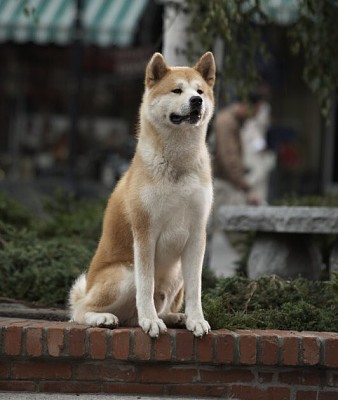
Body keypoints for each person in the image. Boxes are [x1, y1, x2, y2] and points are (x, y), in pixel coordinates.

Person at [209, 96, 265, 277]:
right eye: (256, 109)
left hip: (219, 183)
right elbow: (229, 159)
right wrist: (246, 188)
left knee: (205, 234)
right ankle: (252, 274)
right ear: (247, 105)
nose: (256, 115)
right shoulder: (227, 122)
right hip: (222, 185)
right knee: (237, 231)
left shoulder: (229, 120)